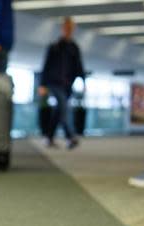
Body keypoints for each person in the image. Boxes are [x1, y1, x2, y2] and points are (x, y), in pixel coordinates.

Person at [38, 17, 86, 149]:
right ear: (63, 29)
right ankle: (71, 137)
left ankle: (49, 137)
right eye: (66, 28)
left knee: (59, 111)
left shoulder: (74, 48)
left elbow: (79, 67)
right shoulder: (55, 46)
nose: (68, 30)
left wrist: (83, 82)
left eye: (71, 28)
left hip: (67, 85)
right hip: (54, 83)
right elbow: (46, 66)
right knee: (64, 107)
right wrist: (42, 84)